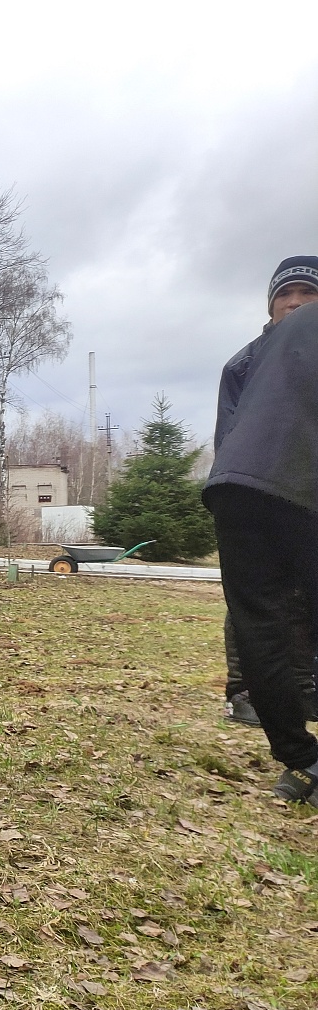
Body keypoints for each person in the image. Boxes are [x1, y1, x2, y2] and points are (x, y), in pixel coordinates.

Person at [204, 256, 318, 803]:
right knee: (260, 622)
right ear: (270, 306)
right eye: (285, 295)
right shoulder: (242, 362)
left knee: (260, 620)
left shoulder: (246, 359)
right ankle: (301, 757)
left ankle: (301, 764)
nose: (296, 304)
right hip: (281, 488)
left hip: (235, 487)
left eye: (307, 293)